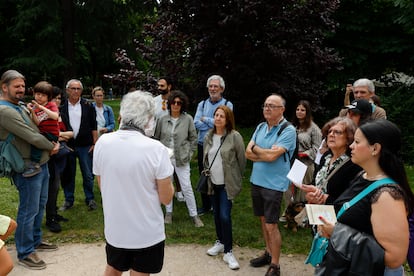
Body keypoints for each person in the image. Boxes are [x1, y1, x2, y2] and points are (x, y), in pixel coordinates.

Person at [93, 91, 174, 276]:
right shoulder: (157, 150)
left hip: (116, 229)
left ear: (122, 115)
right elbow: (166, 198)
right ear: (148, 119)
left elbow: (102, 185)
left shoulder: (103, 143)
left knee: (113, 268)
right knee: (139, 272)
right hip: (146, 233)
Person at [318, 119, 414, 275]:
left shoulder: (387, 196)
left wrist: (337, 232)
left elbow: (394, 258)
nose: (351, 146)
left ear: (375, 148)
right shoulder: (363, 176)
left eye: (356, 142)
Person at [0, 70, 59, 270]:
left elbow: (40, 127)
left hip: (40, 163)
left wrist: (55, 140)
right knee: (29, 209)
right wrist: (53, 146)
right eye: (16, 86)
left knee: (40, 206)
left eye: (23, 86)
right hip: (26, 167)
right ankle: (25, 251)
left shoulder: (21, 106)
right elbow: (31, 136)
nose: (21, 90)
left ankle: (34, 240)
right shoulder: (4, 111)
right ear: (4, 87)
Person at [245, 94, 296, 276]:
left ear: (282, 109)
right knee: (262, 220)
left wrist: (257, 149)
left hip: (274, 185)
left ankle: (275, 265)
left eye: (272, 106)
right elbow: (247, 153)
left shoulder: (288, 130)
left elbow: (270, 156)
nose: (267, 108)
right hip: (256, 180)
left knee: (271, 225)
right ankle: (267, 252)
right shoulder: (260, 126)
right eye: (265, 105)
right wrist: (264, 153)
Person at [204, 105, 246, 270]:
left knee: (224, 216)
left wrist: (236, 178)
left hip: (227, 184)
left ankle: (229, 251)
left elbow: (242, 161)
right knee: (216, 214)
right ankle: (220, 242)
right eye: (216, 115)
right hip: (212, 183)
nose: (218, 118)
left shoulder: (235, 137)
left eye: (222, 116)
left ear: (228, 119)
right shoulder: (209, 135)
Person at [153, 90, 203, 227]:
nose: (176, 105)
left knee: (186, 186)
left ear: (182, 105)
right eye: (173, 102)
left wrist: (189, 153)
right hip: (165, 158)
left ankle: (194, 215)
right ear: (169, 104)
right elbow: (156, 138)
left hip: (182, 158)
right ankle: (168, 212)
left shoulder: (188, 119)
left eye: (179, 103)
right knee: (167, 185)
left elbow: (194, 138)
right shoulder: (162, 119)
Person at [194, 75, 233, 215]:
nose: (212, 89)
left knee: (219, 174)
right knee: (204, 174)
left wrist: (205, 120)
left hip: (220, 144)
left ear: (221, 89)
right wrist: (214, 123)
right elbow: (196, 122)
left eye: (216, 86)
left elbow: (225, 124)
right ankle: (205, 205)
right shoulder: (202, 104)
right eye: (210, 86)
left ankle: (219, 203)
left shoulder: (228, 105)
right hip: (202, 144)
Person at [300, 117, 362, 206]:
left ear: (349, 137)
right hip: (315, 213)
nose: (331, 134)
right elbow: (316, 182)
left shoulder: (353, 163)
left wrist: (325, 199)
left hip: (335, 216)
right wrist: (310, 194)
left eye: (337, 132)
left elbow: (350, 199)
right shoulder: (326, 157)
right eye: (330, 131)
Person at [280, 100, 322, 222]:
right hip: (291, 162)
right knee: (288, 189)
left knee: (303, 190)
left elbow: (317, 148)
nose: (299, 112)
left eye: (302, 110)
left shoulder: (314, 129)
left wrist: (304, 153)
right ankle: (288, 212)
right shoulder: (292, 126)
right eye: (298, 109)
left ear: (307, 112)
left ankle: (302, 217)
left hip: (306, 163)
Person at [60, 79, 98, 211]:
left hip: (85, 145)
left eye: (78, 89)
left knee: (87, 174)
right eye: (73, 88)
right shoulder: (62, 107)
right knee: (68, 174)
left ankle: (90, 198)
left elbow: (94, 125)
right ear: (67, 90)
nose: (76, 91)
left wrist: (95, 143)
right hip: (68, 146)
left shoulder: (88, 105)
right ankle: (68, 200)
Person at [45, 87, 73, 233]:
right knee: (51, 187)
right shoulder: (44, 115)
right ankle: (50, 218)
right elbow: (46, 135)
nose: (57, 101)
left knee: (56, 187)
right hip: (50, 157)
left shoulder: (60, 114)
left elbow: (71, 133)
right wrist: (61, 136)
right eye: (54, 98)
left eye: (59, 99)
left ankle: (54, 213)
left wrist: (59, 136)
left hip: (61, 156)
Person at [24, 81, 60, 177]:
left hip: (52, 133)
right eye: (38, 94)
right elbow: (38, 123)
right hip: (44, 132)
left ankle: (35, 164)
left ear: (48, 97)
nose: (39, 97)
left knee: (36, 141)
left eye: (43, 95)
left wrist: (42, 108)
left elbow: (55, 116)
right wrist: (32, 111)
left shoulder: (51, 105)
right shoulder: (35, 108)